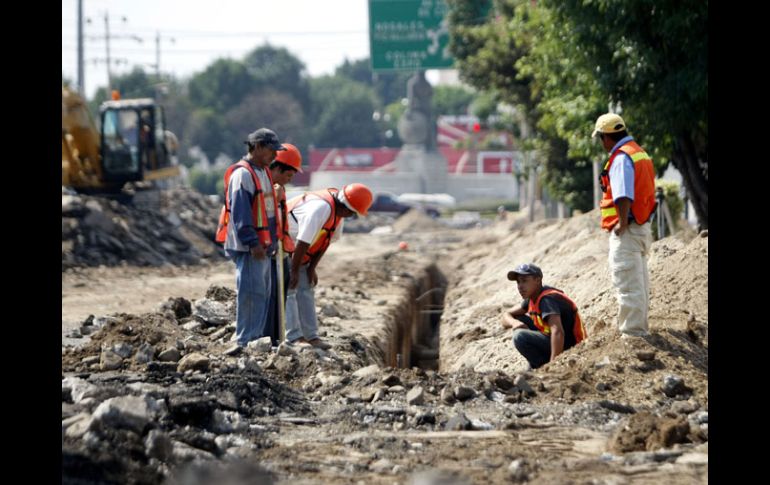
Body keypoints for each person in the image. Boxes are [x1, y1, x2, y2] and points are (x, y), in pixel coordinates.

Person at [215, 128, 285, 352]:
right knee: (251, 294)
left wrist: (271, 242)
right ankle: (245, 341)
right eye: (271, 151)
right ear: (257, 147)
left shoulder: (262, 172)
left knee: (260, 294)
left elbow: (267, 211)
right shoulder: (243, 175)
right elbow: (241, 214)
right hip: (250, 247)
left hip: (262, 246)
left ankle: (254, 340)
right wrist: (252, 242)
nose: (274, 156)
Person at [284, 183, 374, 349]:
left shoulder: (337, 215)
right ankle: (294, 337)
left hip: (300, 253)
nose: (350, 216)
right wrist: (294, 271)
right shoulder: (321, 208)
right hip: (285, 247)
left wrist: (311, 268)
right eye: (352, 213)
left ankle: (311, 336)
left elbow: (326, 241)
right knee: (290, 290)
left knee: (307, 287)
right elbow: (303, 240)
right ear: (347, 207)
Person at [592, 113, 656, 339]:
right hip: (641, 225)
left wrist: (620, 222)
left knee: (628, 283)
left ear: (606, 137)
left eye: (600, 138)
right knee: (639, 282)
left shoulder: (620, 158)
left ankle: (633, 334)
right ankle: (639, 329)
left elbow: (622, 194)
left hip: (628, 228)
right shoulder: (638, 152)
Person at [501, 263, 586, 369]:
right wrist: (515, 323)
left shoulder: (547, 300)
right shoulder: (532, 298)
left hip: (570, 346)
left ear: (537, 280)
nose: (520, 286)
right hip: (553, 340)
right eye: (518, 282)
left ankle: (542, 367)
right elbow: (506, 315)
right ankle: (536, 366)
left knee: (520, 336)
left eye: (524, 281)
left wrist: (553, 364)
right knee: (519, 318)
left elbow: (558, 332)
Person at [264, 143, 302, 345]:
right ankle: (268, 339)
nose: (288, 181)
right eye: (288, 176)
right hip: (267, 251)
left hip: (280, 250)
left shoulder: (278, 189)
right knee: (270, 298)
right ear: (277, 169)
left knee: (281, 295)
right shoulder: (263, 186)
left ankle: (277, 338)